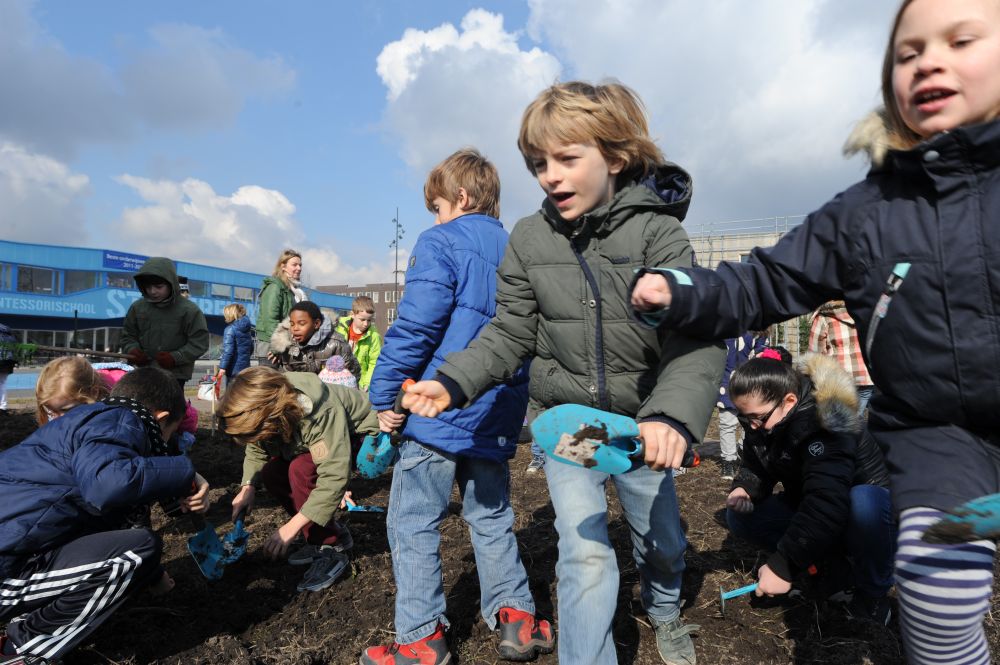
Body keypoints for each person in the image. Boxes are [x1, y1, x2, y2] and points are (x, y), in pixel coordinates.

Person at [629, 0, 1000, 660]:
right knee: (938, 586)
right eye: (907, 53)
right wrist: (685, 291)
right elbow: (766, 281)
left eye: (962, 40)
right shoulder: (866, 214)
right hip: (940, 437)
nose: (928, 61)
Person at [402, 81, 725, 665]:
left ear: (616, 157)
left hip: (640, 423)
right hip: (569, 425)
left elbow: (693, 337)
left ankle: (665, 609)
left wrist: (673, 416)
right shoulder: (529, 238)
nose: (550, 175)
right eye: (538, 163)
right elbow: (508, 333)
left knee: (664, 545)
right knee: (585, 555)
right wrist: (451, 381)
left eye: (567, 159)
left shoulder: (660, 235)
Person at [362, 148, 550, 665]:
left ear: (460, 198)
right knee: (490, 515)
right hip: (495, 410)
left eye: (439, 206)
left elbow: (416, 327)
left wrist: (384, 395)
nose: (436, 216)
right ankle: (518, 621)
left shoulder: (440, 242)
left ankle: (421, 640)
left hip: (436, 409)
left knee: (412, 521)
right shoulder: (518, 250)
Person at [0, 367, 209, 664]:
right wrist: (183, 469)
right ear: (161, 419)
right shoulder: (120, 421)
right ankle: (22, 647)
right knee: (139, 550)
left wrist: (153, 575)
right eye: (170, 433)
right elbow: (108, 486)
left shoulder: (78, 422)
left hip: (12, 545)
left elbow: (105, 517)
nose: (165, 443)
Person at [724, 350, 895, 624]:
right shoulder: (763, 420)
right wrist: (744, 487)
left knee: (866, 503)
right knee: (741, 516)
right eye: (745, 419)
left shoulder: (826, 423)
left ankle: (872, 594)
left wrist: (783, 565)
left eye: (757, 418)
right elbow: (756, 466)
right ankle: (828, 565)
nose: (751, 426)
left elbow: (827, 501)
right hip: (815, 504)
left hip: (858, 512)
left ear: (789, 400)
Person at [219, 366, 379, 593]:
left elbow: (334, 475)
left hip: (361, 436)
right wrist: (248, 486)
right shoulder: (268, 408)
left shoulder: (317, 410)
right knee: (272, 473)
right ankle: (325, 532)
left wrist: (291, 527)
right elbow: (257, 449)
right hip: (311, 442)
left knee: (301, 470)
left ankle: (329, 548)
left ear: (270, 416)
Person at [120, 257, 209, 391]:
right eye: (148, 287)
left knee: (171, 410)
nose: (153, 291)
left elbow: (199, 342)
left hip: (175, 376)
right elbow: (128, 335)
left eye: (159, 286)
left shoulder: (189, 310)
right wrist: (132, 350)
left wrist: (175, 357)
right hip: (144, 372)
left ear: (171, 283)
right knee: (143, 409)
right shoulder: (137, 308)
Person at [808, 301, 874, 417]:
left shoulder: (824, 317)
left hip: (839, 378)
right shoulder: (867, 309)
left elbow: (815, 353)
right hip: (866, 375)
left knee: (842, 422)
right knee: (857, 417)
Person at [718, 331, 768, 480]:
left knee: (750, 422)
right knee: (728, 422)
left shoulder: (757, 331)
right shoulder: (724, 328)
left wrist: (761, 355)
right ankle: (729, 460)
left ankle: (744, 450)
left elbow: (762, 349)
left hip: (749, 383)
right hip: (726, 382)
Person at [269, 301, 359, 379]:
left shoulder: (336, 343)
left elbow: (352, 374)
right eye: (292, 324)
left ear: (316, 324)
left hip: (330, 394)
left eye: (301, 323)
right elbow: (286, 377)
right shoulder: (287, 345)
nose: (295, 328)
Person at [256, 249, 305, 366]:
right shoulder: (275, 287)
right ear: (283, 266)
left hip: (283, 346)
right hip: (271, 349)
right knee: (271, 383)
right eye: (294, 265)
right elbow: (270, 320)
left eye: (300, 265)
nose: (299, 268)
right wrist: (277, 347)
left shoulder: (291, 289)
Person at [34, 356, 111, 425]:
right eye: (50, 411)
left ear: (94, 393)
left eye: (66, 410)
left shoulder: (112, 418)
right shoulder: (57, 415)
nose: (57, 419)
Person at [336, 296, 382, 392]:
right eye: (362, 320)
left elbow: (374, 363)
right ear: (352, 314)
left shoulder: (374, 336)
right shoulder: (339, 328)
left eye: (369, 320)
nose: (366, 324)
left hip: (360, 383)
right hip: (338, 379)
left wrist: (367, 383)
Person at [217, 303, 255, 387]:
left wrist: (222, 367)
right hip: (246, 367)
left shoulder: (230, 329)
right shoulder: (247, 330)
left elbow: (228, 352)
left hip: (233, 370)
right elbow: (251, 348)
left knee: (232, 394)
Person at [0, 323, 18, 416]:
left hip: (1, 360)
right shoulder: (11, 336)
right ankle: (3, 407)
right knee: (2, 383)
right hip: (9, 362)